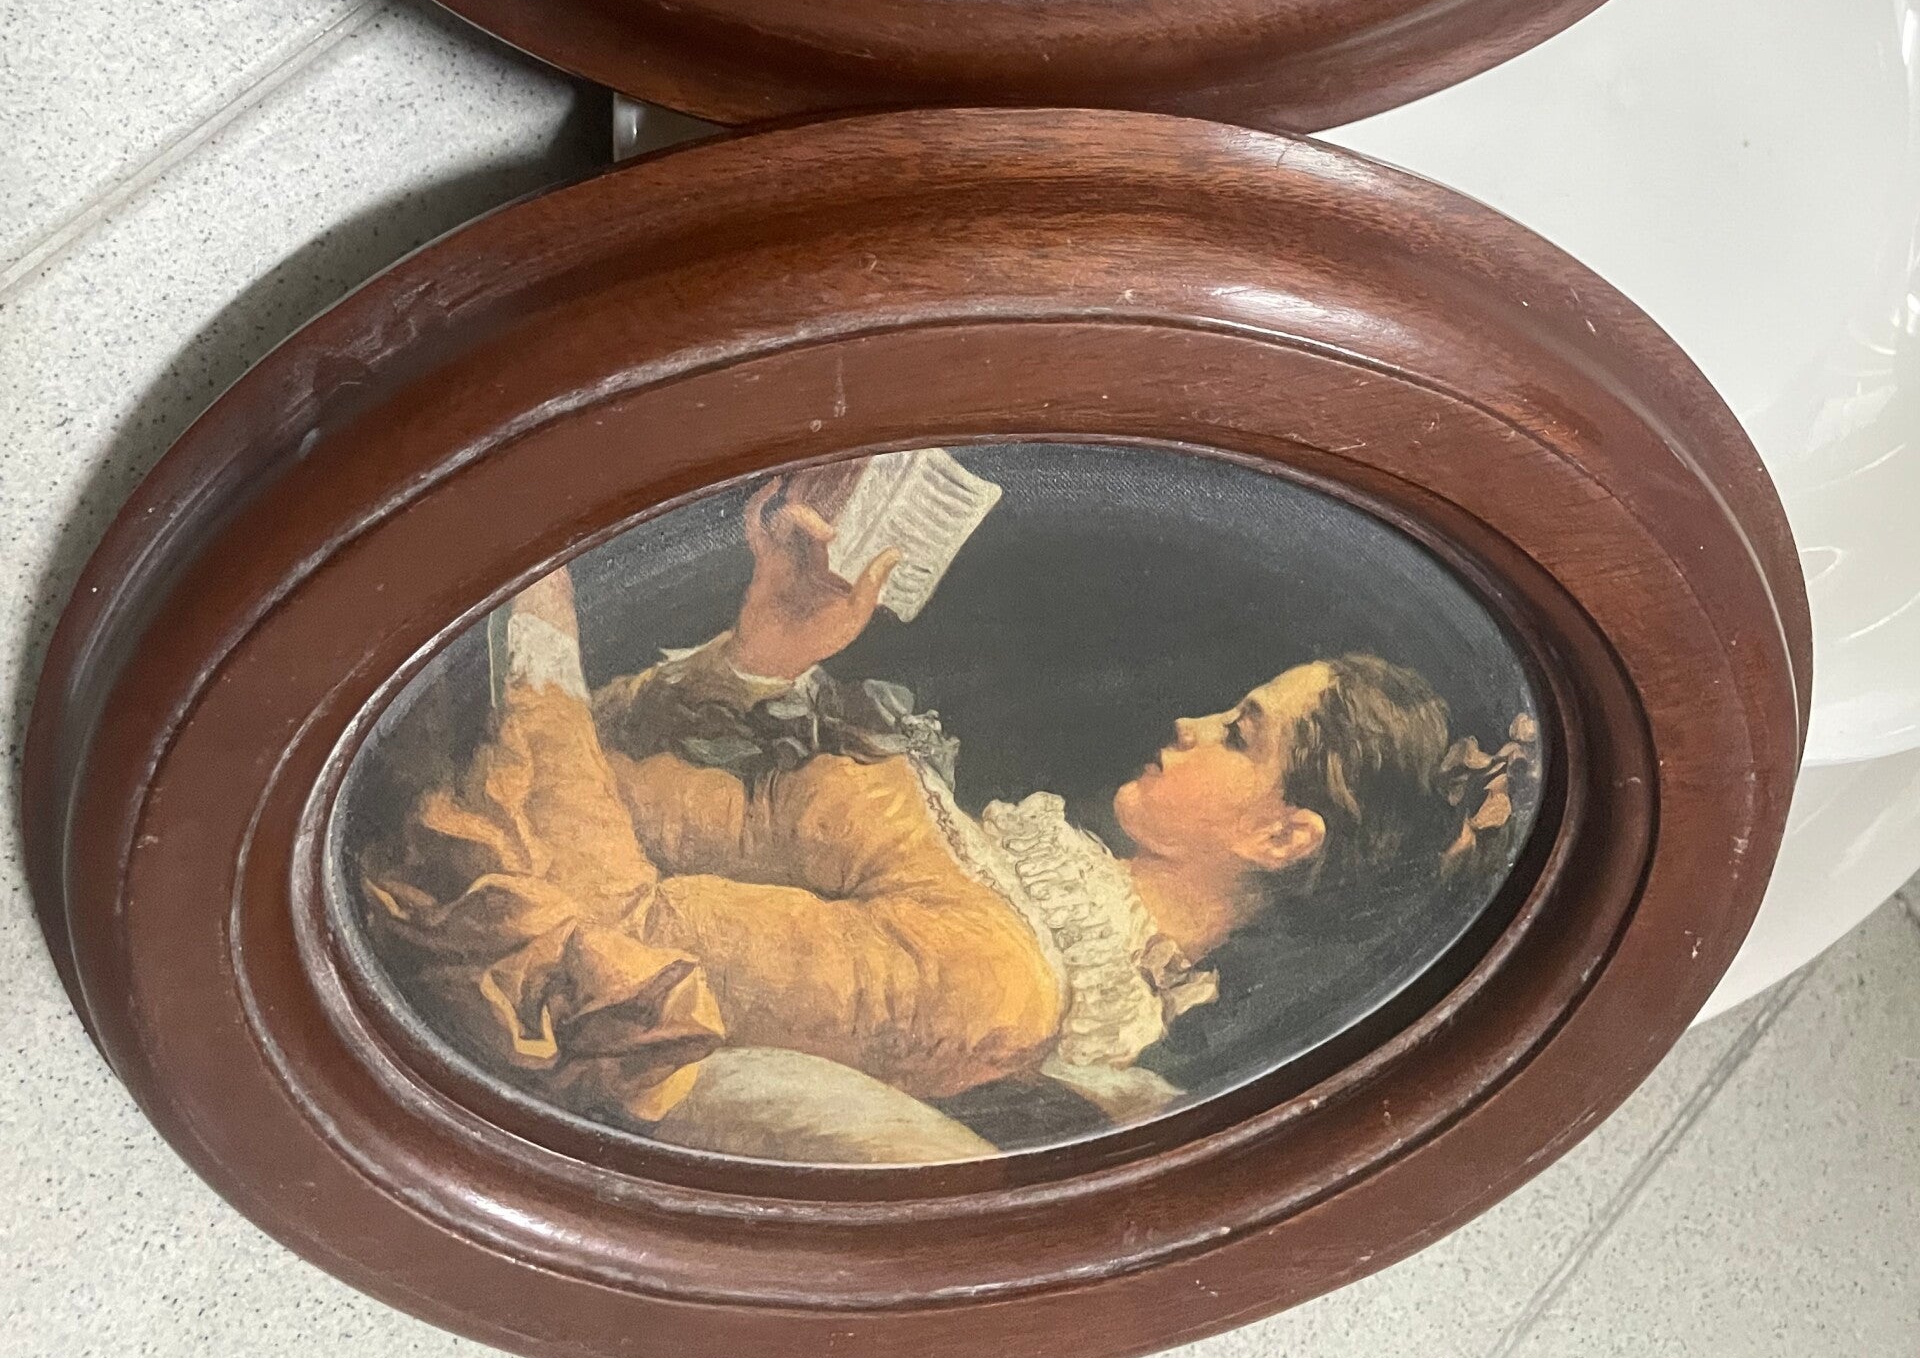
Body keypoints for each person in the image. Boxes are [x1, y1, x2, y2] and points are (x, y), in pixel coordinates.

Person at [362, 470, 1533, 1163]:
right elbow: (647, 776)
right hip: (468, 715)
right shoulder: (1001, 871)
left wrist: (539, 624)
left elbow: (613, 934)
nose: (1189, 721)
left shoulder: (997, 980)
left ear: (1280, 837)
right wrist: (767, 649)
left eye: (1240, 732)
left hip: (442, 800)